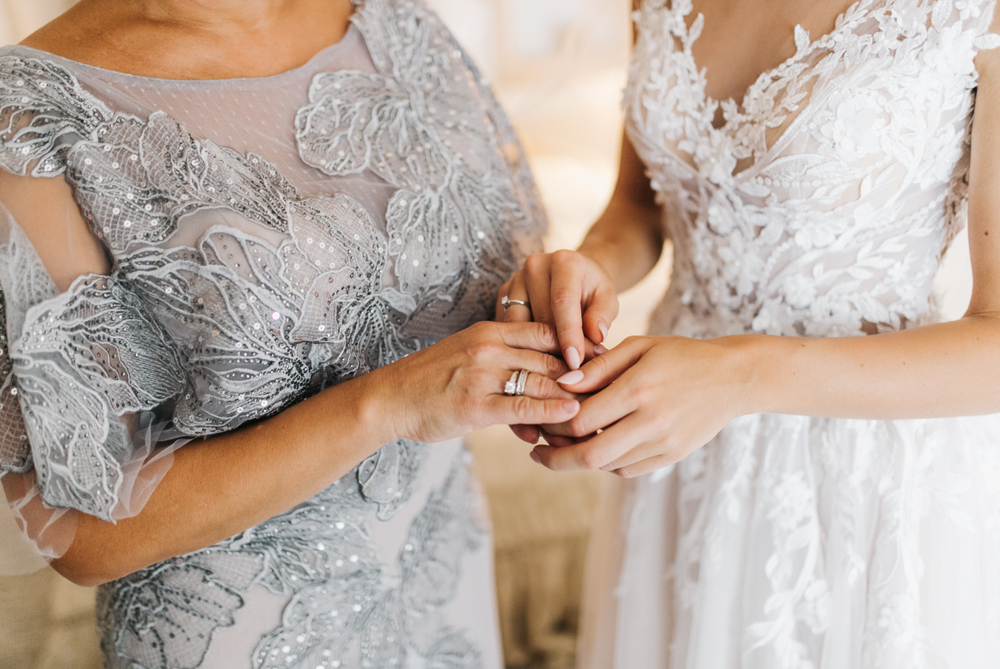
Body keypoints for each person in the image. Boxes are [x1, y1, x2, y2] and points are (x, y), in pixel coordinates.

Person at [0, 0, 583, 666]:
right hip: (248, 640)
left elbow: (490, 268)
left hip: (441, 589)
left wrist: (547, 300)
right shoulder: (29, 114)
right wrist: (388, 403)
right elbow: (82, 533)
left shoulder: (391, 18)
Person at [499, 0, 1000, 666]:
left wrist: (740, 374)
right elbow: (641, 206)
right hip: (676, 453)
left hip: (858, 469)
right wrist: (590, 265)